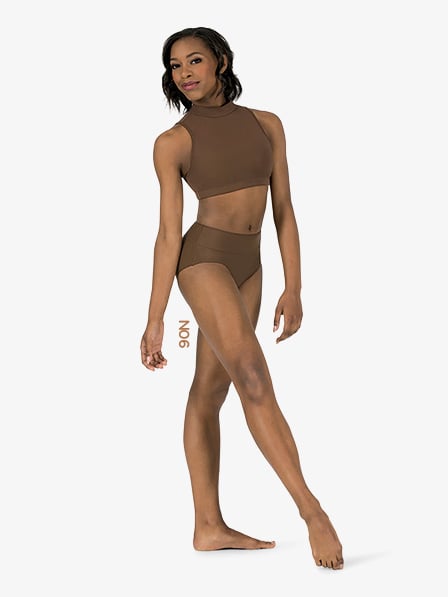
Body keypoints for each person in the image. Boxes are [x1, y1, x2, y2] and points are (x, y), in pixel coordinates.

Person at [140, 26, 344, 570]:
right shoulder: (172, 143)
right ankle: (313, 512)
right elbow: (167, 234)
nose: (184, 73)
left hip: (250, 266)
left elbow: (285, 211)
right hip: (202, 260)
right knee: (252, 375)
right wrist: (156, 318)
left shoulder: (266, 124)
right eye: (175, 65)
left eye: (195, 60)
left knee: (211, 389)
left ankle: (208, 527)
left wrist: (293, 285)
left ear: (222, 61)